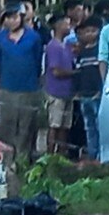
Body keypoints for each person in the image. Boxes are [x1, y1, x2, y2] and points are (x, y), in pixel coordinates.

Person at [0, 3, 47, 159]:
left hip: (29, 89)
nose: (11, 21)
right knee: (6, 127)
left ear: (21, 18)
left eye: (14, 17)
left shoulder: (33, 37)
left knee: (26, 127)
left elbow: (37, 59)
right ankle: (5, 161)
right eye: (8, 18)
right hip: (7, 89)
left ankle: (23, 161)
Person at [43, 13, 77, 158]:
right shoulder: (53, 46)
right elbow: (56, 71)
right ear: (58, 26)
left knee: (65, 126)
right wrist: (75, 73)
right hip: (55, 92)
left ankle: (61, 155)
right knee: (54, 125)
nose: (69, 27)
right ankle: (50, 155)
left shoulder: (68, 46)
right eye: (66, 24)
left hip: (67, 92)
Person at [73, 17, 106, 160]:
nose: (90, 34)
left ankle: (102, 155)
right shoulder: (82, 52)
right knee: (89, 127)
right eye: (87, 31)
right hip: (84, 95)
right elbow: (79, 74)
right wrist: (77, 91)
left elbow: (101, 73)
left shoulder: (100, 50)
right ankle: (93, 154)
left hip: (97, 95)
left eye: (93, 31)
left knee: (100, 126)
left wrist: (101, 90)